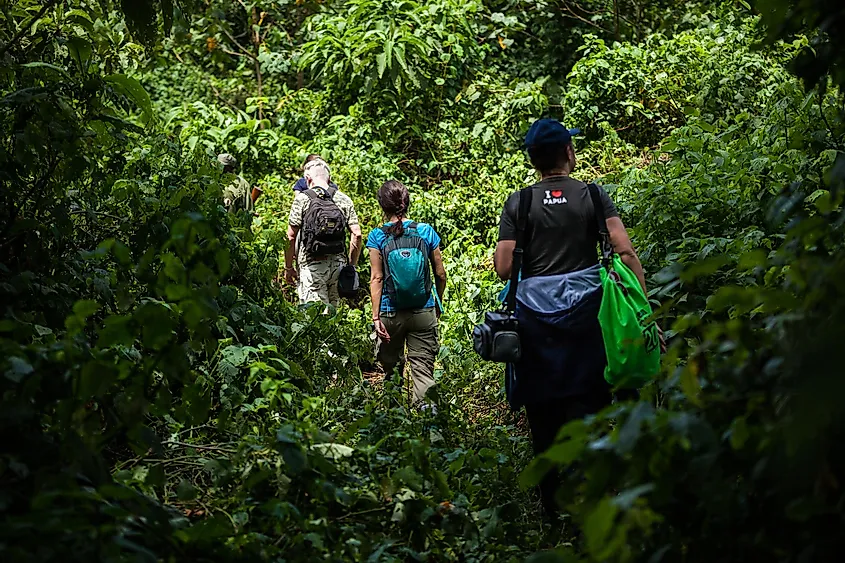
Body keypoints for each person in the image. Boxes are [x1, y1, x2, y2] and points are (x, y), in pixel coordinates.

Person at [494, 118, 655, 518]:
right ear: (568, 152)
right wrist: (644, 312)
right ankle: (596, 499)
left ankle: (552, 508)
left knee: (542, 413)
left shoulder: (520, 202)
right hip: (588, 319)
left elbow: (502, 266)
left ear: (533, 160)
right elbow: (625, 252)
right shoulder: (593, 196)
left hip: (535, 325)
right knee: (590, 404)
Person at [367, 180, 447, 406]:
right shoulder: (425, 232)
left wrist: (376, 317)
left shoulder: (377, 236)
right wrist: (435, 302)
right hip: (423, 311)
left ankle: (394, 422)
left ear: (382, 205)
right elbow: (440, 274)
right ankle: (428, 425)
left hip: (389, 314)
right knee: (423, 372)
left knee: (391, 373)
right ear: (406, 202)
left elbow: (377, 278)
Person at [284, 159, 362, 307]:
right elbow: (357, 234)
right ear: (329, 178)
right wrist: (351, 266)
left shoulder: (302, 199)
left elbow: (290, 236)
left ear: (307, 179)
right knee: (334, 316)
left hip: (311, 265)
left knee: (315, 316)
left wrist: (288, 267)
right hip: (338, 266)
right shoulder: (344, 199)